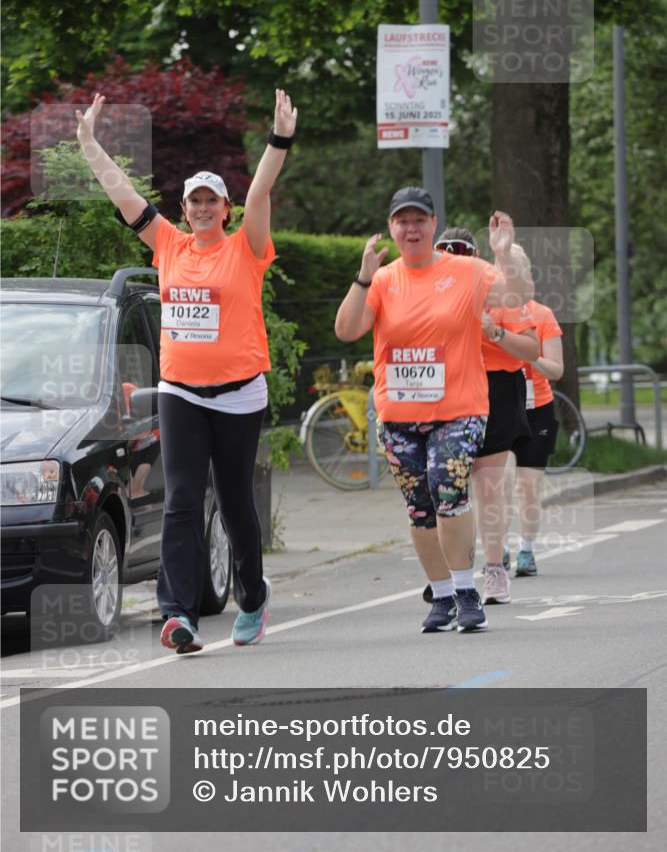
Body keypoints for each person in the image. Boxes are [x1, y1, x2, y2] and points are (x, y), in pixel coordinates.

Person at [76, 89, 297, 653]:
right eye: (193, 201)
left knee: (235, 502)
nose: (201, 208)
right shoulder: (168, 246)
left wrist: (278, 139)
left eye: (211, 201)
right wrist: (89, 145)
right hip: (180, 392)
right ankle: (178, 614)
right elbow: (123, 196)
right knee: (180, 498)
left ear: (225, 210)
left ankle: (252, 594)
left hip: (239, 394)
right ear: (184, 209)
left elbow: (264, 188)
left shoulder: (246, 248)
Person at [335, 187, 529, 634]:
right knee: (420, 508)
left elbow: (514, 302)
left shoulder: (466, 271)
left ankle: (466, 590)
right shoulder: (384, 280)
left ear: (433, 224)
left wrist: (503, 255)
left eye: (419, 220)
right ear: (391, 229)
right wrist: (364, 276)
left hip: (458, 410)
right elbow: (347, 329)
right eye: (402, 221)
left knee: (447, 490)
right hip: (399, 415)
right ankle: (441, 595)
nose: (411, 228)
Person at [434, 231, 539, 608]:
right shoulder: (426, 290)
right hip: (447, 387)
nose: (453, 261)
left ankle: (493, 567)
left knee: (489, 488)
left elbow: (531, 347)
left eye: (461, 254)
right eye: (444, 254)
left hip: (496, 387)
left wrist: (492, 331)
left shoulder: (497, 288)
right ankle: (448, 577)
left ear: (476, 257)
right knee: (444, 489)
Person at [512, 264, 564, 577]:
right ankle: (497, 549)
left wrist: (530, 355)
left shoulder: (542, 315)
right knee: (496, 482)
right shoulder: (488, 315)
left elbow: (557, 370)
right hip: (500, 409)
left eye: (526, 277)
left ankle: (526, 550)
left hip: (537, 408)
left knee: (529, 486)